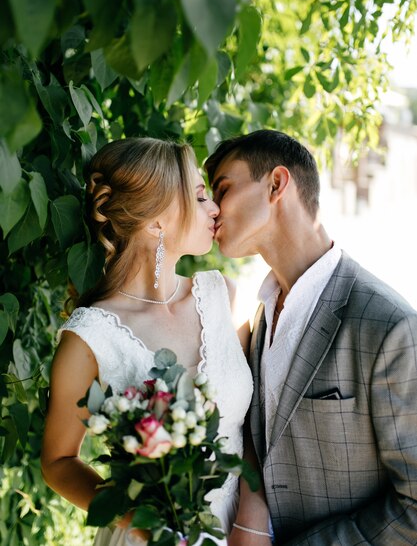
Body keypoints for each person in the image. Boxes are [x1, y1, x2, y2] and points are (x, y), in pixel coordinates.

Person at [205, 129, 417, 545]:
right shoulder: (261, 314)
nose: (212, 209)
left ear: (276, 184)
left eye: (223, 188)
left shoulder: (389, 327)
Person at [41, 137, 253, 546]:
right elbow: (58, 462)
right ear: (157, 221)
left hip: (238, 527)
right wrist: (142, 522)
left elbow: (252, 429)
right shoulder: (89, 337)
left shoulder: (220, 295)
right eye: (199, 196)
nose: (214, 209)